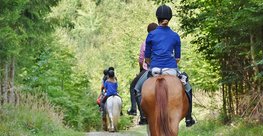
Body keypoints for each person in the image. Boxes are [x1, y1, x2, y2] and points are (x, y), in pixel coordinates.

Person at [135, 5, 195, 127]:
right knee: (188, 88)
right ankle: (189, 118)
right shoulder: (175, 36)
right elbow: (177, 58)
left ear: (157, 17)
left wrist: (153, 64)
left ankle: (143, 116)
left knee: (137, 89)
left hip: (155, 69)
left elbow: (147, 58)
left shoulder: (151, 35)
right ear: (170, 18)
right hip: (171, 70)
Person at [127, 23, 158, 125]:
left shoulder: (146, 42)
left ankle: (138, 112)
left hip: (149, 69)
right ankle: (188, 115)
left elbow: (142, 59)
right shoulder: (162, 41)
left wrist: (141, 67)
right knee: (185, 84)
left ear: (148, 32)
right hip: (167, 68)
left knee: (134, 88)